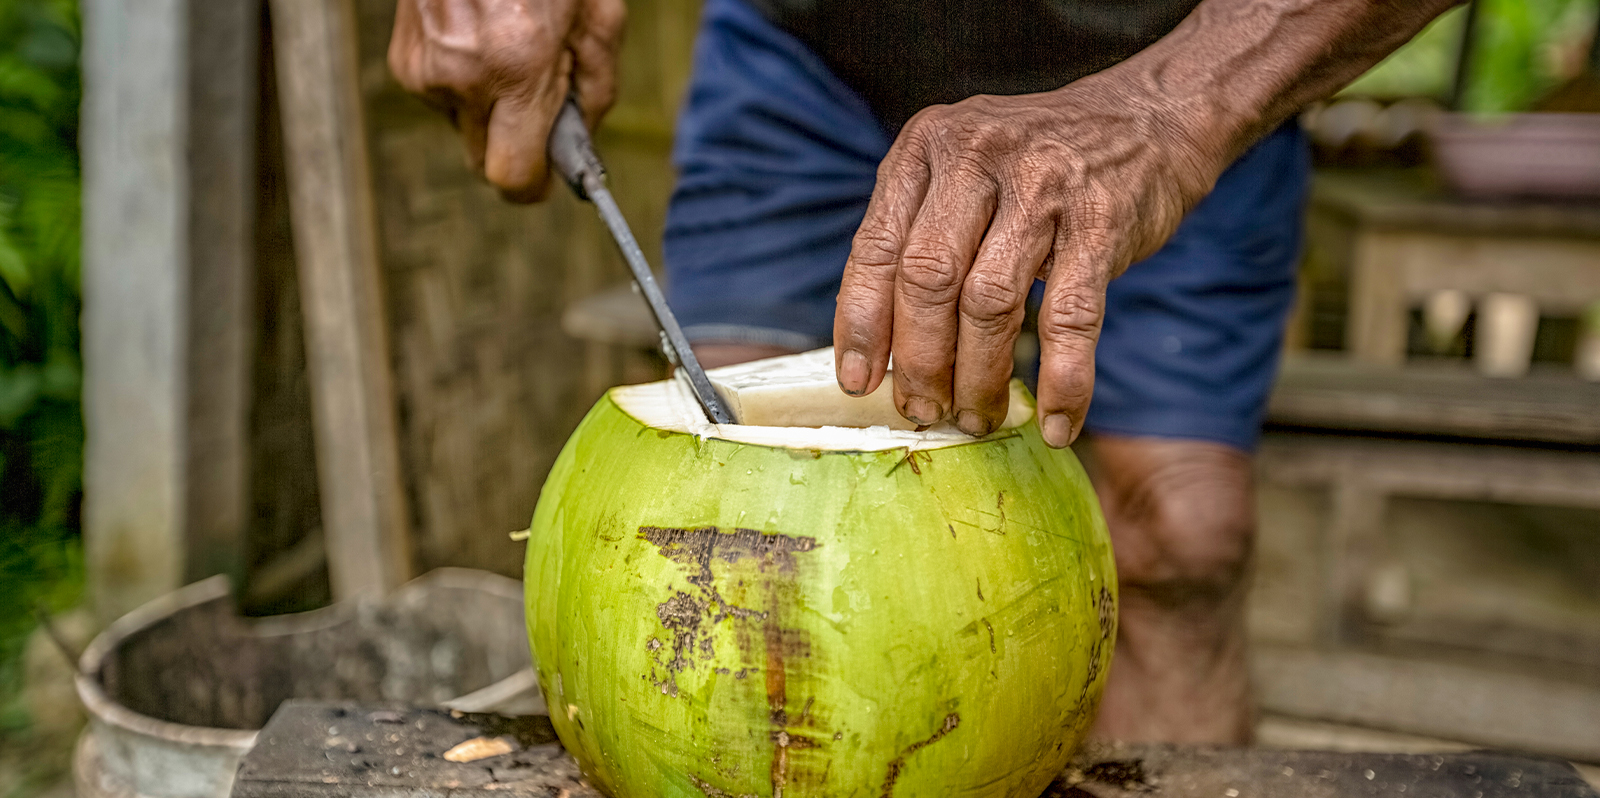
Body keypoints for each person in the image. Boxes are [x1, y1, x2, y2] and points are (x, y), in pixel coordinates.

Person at [388, 0, 1456, 744]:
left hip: (1194, 54)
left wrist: (1170, 115)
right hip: (813, 53)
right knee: (712, 529)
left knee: (1176, 533)